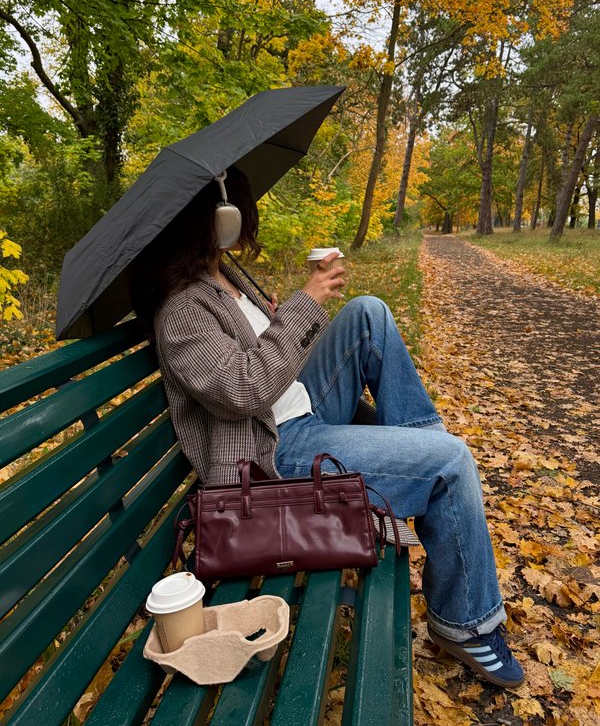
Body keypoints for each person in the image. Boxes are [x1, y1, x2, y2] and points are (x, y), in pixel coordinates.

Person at [131, 165, 524, 689]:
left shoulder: (223, 276)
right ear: (218, 219)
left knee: (368, 313)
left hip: (296, 409)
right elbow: (244, 391)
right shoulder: (182, 309)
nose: (247, 223)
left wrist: (286, 316)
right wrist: (304, 303)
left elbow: (267, 353)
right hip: (271, 451)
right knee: (451, 461)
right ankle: (464, 622)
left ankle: (417, 469)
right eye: (240, 212)